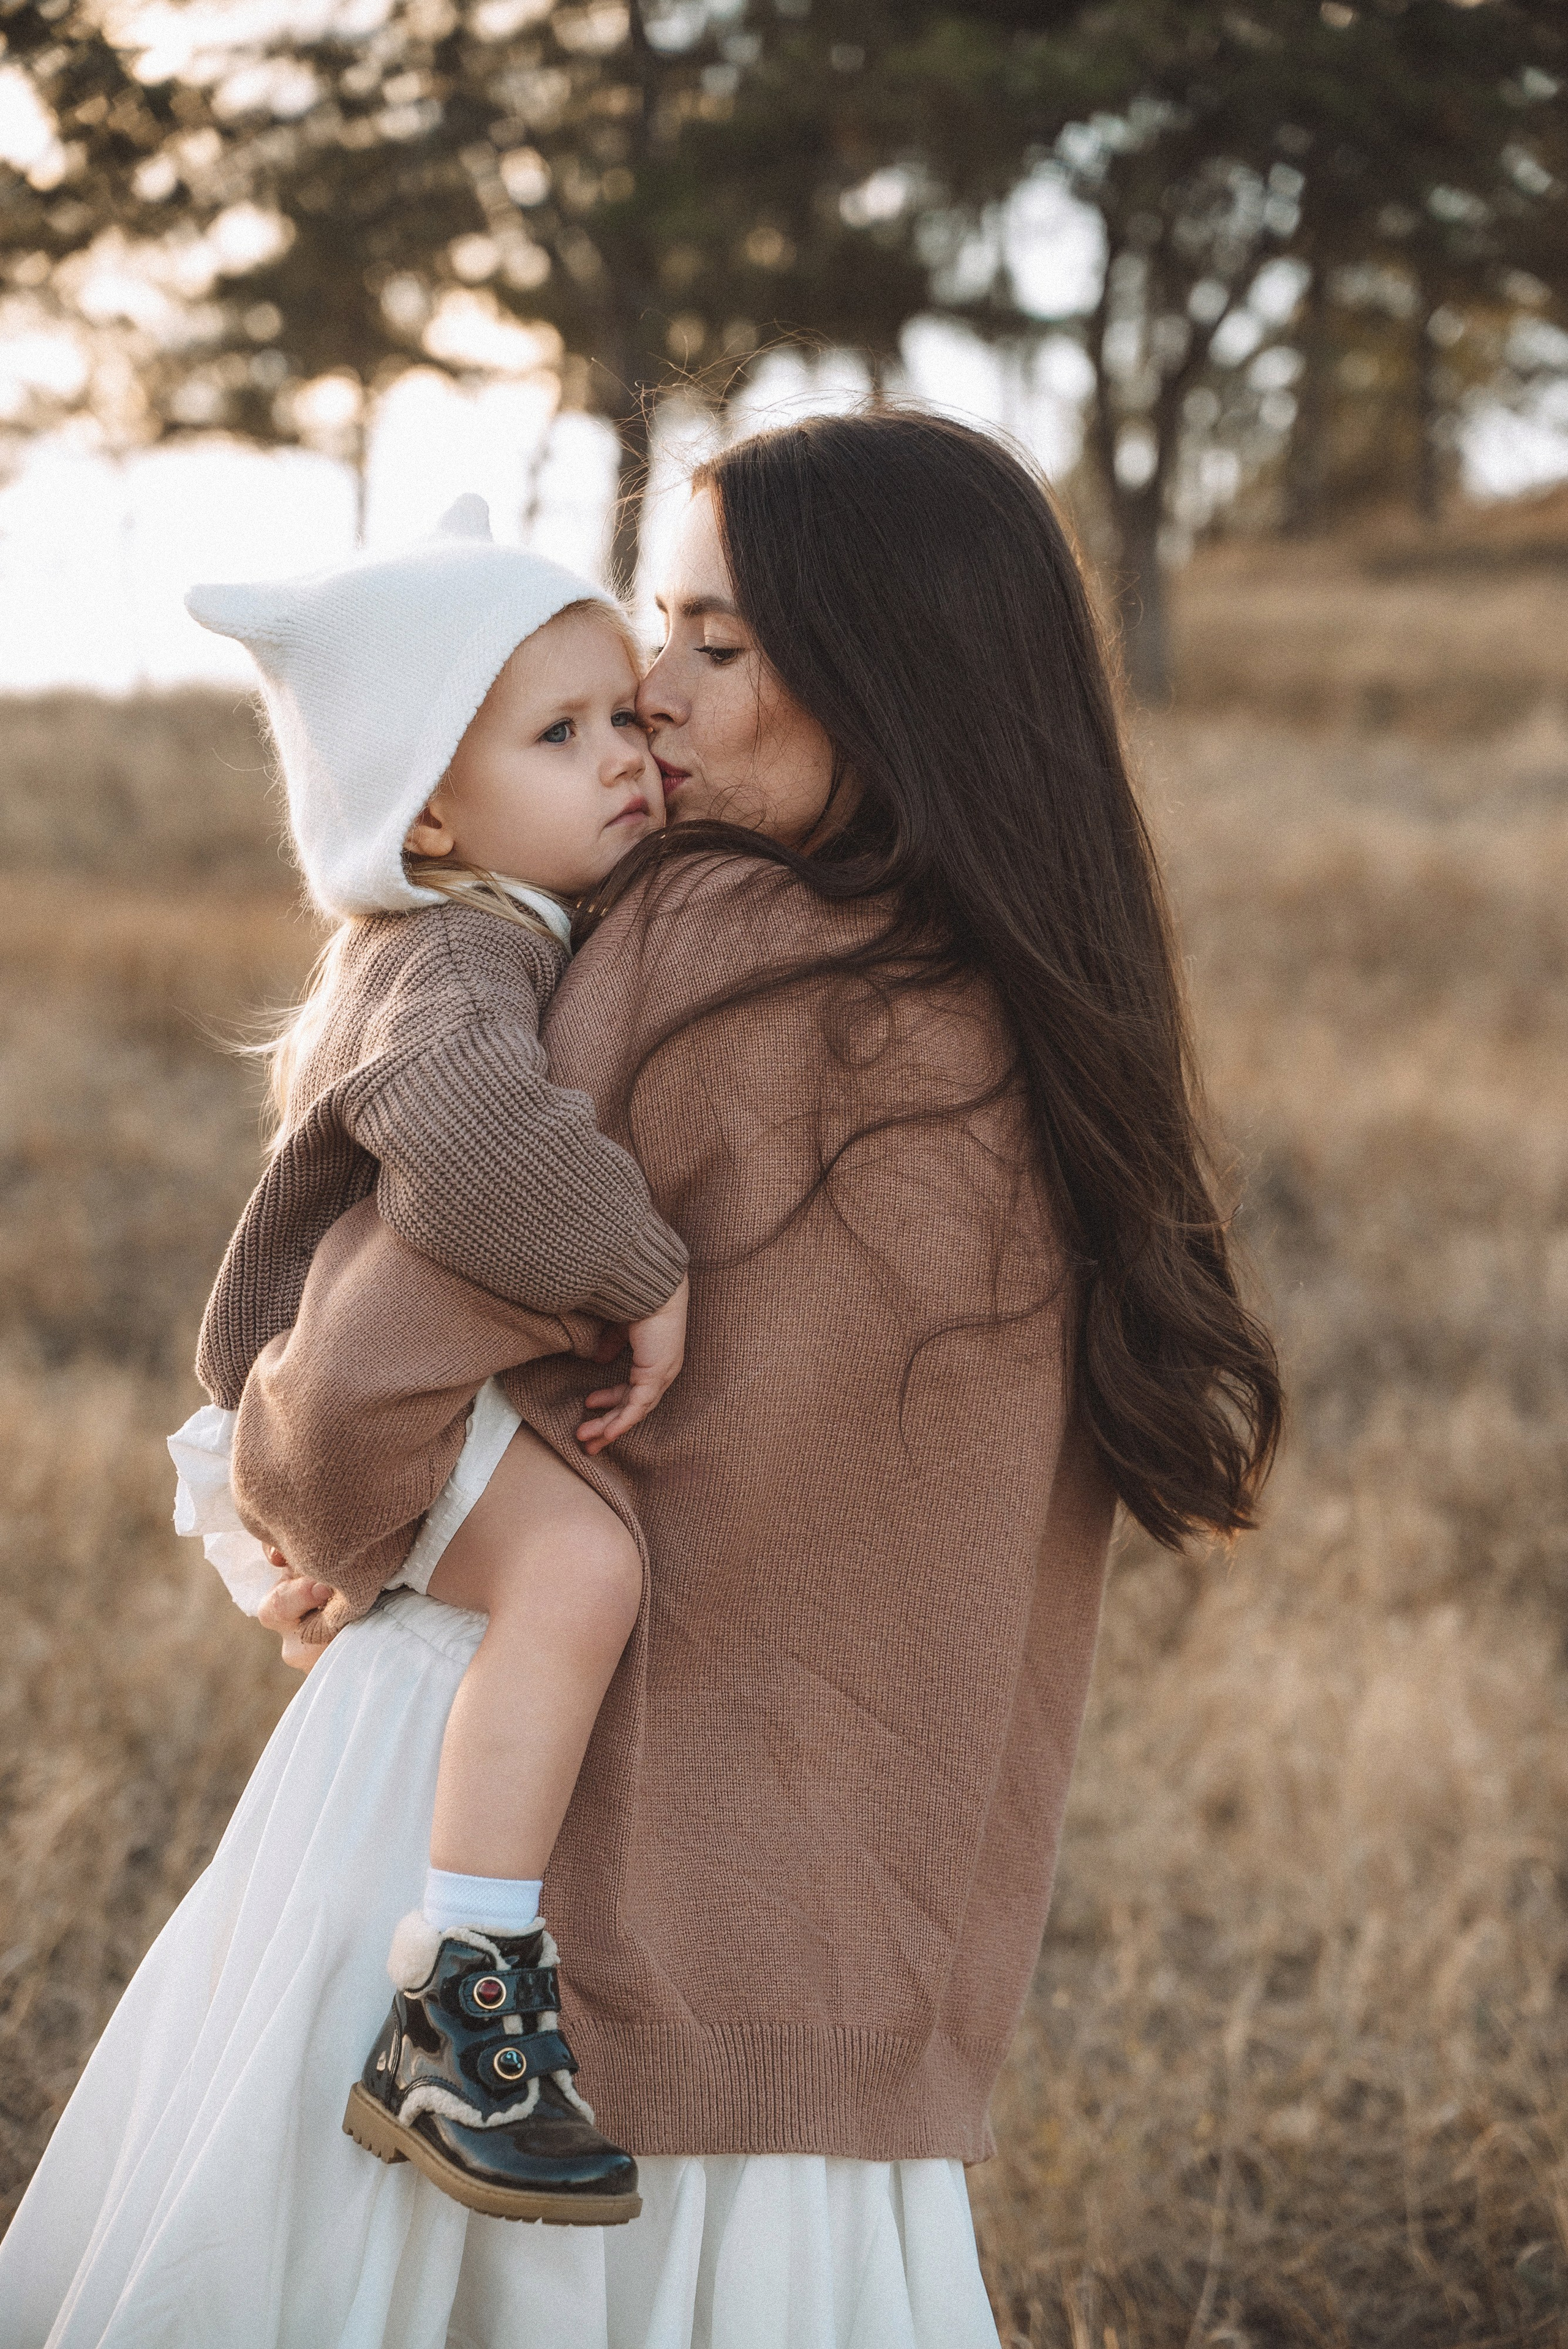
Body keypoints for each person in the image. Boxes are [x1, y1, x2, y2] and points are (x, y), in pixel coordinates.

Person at [2, 410, 1280, 2349]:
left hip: (519, 1912)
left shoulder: (700, 942)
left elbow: (357, 1381)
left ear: (889, 668)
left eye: (716, 643)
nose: (651, 698)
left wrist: (284, 1504)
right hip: (841, 1972)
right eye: (648, 634)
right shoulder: (1054, 1034)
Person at [171, 496, 693, 2225]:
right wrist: (642, 1269)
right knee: (583, 1563)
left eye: (625, 711)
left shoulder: (494, 928)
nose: (626, 751)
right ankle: (466, 2012)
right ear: (432, 805)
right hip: (371, 1410)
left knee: (568, 1567)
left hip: (374, 1392)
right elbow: (471, 1141)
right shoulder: (460, 946)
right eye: (563, 731)